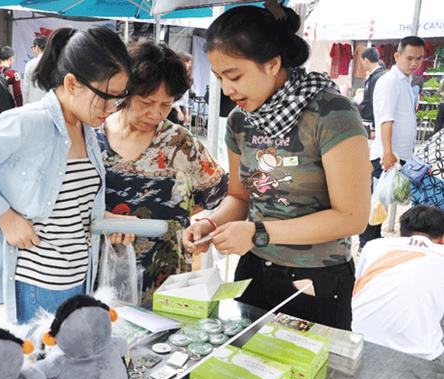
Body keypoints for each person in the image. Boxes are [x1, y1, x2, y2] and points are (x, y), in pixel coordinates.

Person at [182, 5, 371, 330]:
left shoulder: (332, 114)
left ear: (272, 64)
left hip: (316, 280)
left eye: (235, 75)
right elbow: (239, 198)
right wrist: (210, 224)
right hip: (254, 271)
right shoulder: (241, 122)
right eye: (219, 78)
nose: (227, 90)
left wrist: (259, 232)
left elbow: (352, 217)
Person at [0, 27, 130, 324]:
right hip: (41, 283)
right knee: (43, 365)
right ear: (72, 83)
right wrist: (5, 217)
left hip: (78, 275)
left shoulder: (85, 127)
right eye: (106, 97)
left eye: (119, 98)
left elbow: (70, 205)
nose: (112, 108)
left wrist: (113, 220)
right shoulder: (31, 123)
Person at [96, 41, 227, 303]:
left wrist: (176, 217)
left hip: (166, 278)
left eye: (166, 104)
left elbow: (217, 191)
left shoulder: (180, 143)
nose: (155, 113)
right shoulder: (93, 139)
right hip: (103, 273)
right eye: (146, 101)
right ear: (125, 93)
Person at [352, 205, 444, 362]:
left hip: (358, 339)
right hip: (421, 355)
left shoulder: (373, 246)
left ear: (402, 233)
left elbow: (358, 283)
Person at [360, 36, 425, 248]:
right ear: (397, 56)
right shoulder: (389, 81)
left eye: (419, 59)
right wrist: (388, 152)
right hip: (386, 155)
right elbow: (386, 118)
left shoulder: (406, 81)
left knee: (384, 200)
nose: (414, 63)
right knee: (376, 201)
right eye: (410, 58)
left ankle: (374, 240)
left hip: (401, 155)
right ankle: (367, 243)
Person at [358, 47, 386, 139]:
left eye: (362, 61)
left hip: (371, 123)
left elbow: (377, 103)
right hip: (369, 121)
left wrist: (374, 127)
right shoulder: (374, 76)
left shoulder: (377, 77)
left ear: (366, 60)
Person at [167, 52, 192, 127]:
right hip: (172, 109)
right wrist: (179, 111)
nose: (188, 64)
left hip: (179, 108)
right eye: (186, 61)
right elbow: (171, 97)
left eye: (189, 62)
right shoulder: (172, 77)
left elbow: (185, 99)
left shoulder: (187, 79)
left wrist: (186, 114)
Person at [23, 36, 47, 104]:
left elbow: (26, 87)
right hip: (51, 106)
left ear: (36, 47)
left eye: (33, 47)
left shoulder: (30, 64)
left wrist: (25, 104)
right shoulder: (55, 63)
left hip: (34, 103)